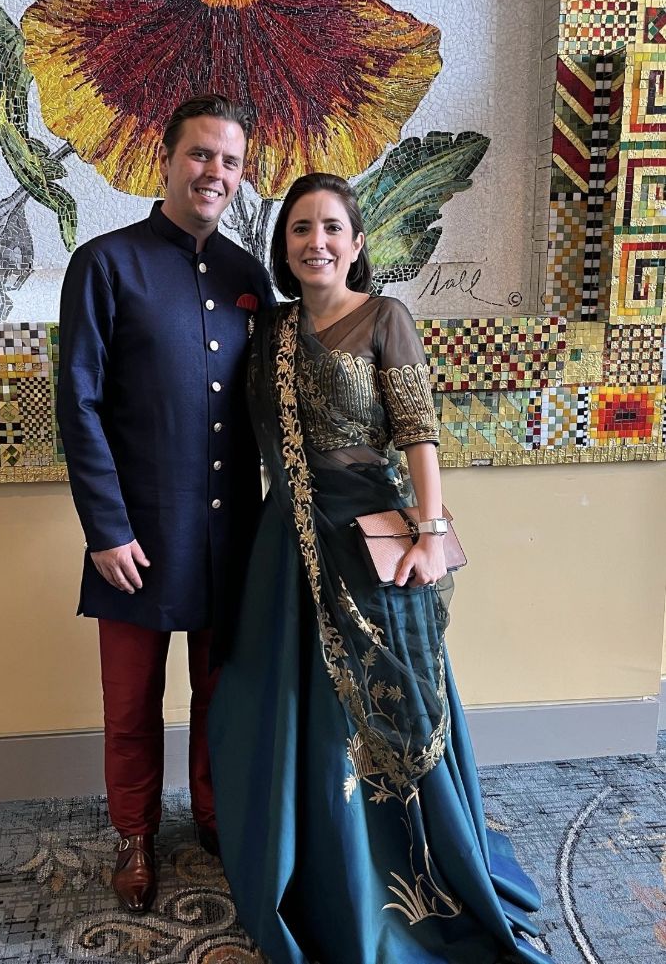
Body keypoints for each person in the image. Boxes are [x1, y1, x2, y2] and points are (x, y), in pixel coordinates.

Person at [208, 174, 554, 964]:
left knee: (380, 706)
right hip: (283, 546)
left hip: (366, 542)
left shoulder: (385, 317)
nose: (316, 242)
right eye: (300, 228)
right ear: (284, 245)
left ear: (357, 242)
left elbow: (418, 431)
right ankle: (307, 861)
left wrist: (429, 532)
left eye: (332, 227)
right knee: (286, 704)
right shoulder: (272, 330)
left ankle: (399, 875)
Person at [56, 94, 274, 915]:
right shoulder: (104, 263)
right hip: (135, 538)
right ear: (168, 158)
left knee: (223, 694)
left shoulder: (249, 276)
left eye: (230, 161)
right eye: (201, 154)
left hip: (231, 533)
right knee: (130, 704)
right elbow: (78, 404)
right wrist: (105, 529)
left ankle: (215, 818)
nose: (215, 171)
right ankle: (135, 833)